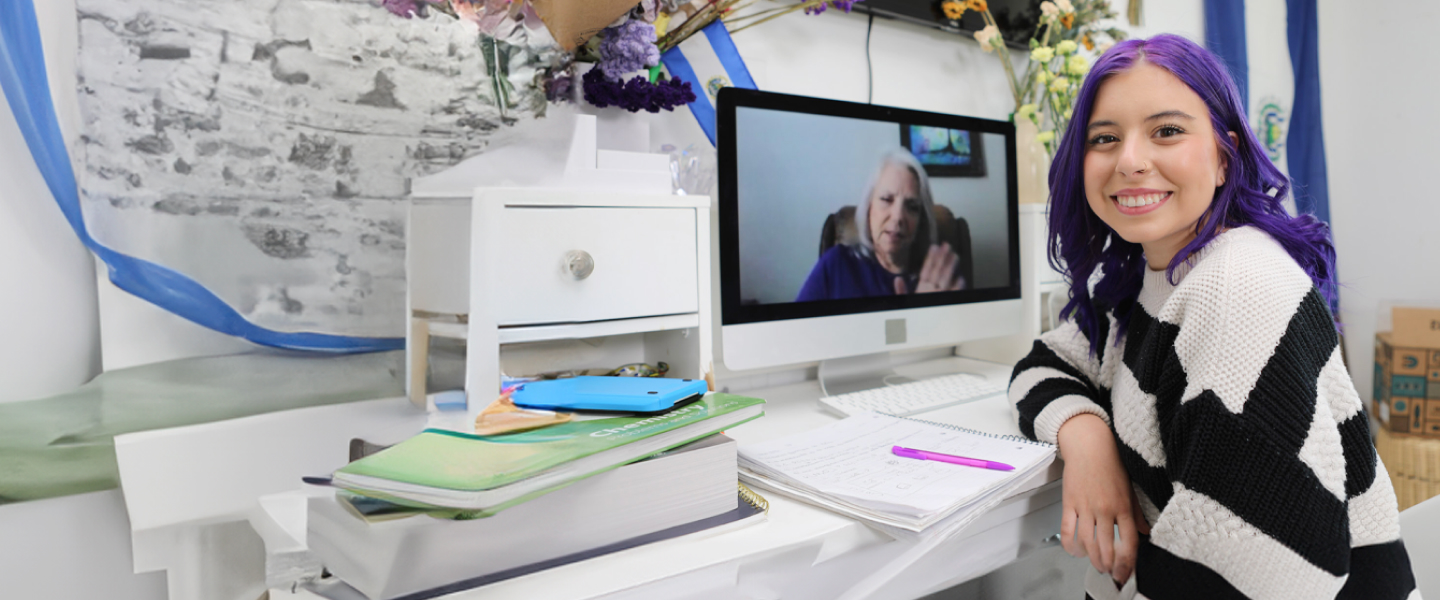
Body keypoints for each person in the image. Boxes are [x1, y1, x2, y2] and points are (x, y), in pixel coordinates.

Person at [1007, 34, 1416, 599]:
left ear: (1224, 158)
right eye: (1105, 138)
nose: (1130, 161)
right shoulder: (1143, 278)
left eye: (1167, 131)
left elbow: (1261, 574)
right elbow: (1041, 363)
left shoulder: (1238, 283)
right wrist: (1087, 441)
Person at [795, 148, 965, 302]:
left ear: (921, 220)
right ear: (868, 207)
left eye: (912, 207)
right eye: (886, 199)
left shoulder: (938, 276)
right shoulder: (835, 264)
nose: (898, 217)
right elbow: (798, 333)